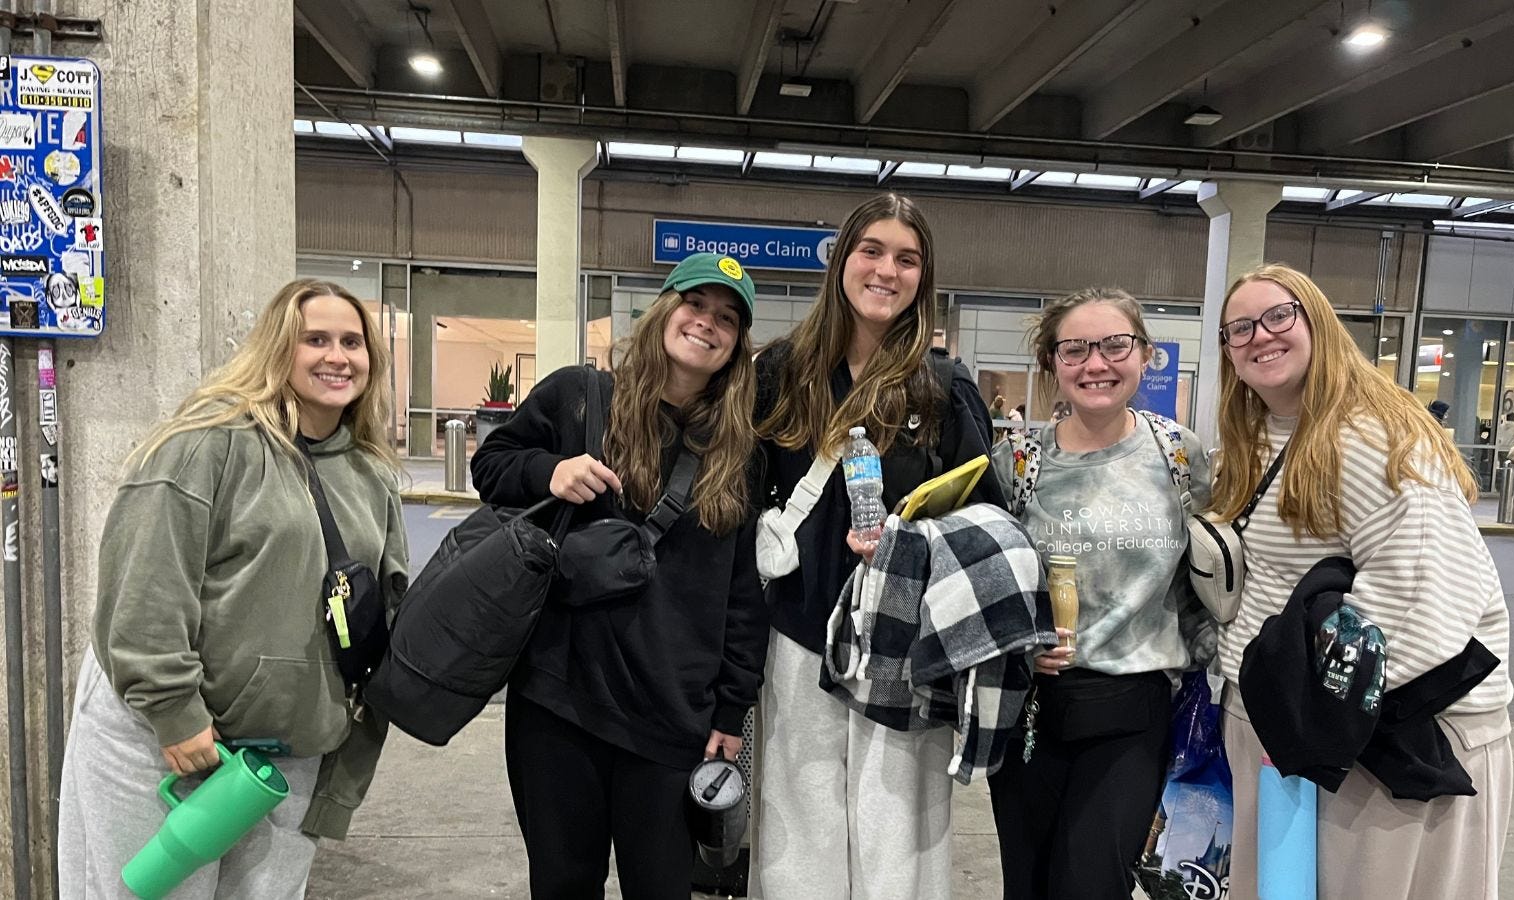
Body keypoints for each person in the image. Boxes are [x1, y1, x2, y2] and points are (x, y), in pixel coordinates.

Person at [58, 279, 409, 898]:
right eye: (316, 340)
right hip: (172, 744)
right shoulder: (207, 442)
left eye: (352, 342)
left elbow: (382, 605)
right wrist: (173, 712)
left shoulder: (369, 469)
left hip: (284, 758)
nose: (338, 356)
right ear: (278, 349)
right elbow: (144, 586)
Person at [470, 253, 769, 899]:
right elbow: (492, 464)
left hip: (671, 714)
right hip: (559, 699)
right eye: (696, 305)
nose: (706, 324)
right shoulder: (579, 397)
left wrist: (731, 707)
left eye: (726, 319)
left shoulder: (739, 453)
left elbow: (745, 595)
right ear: (664, 309)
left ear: (737, 346)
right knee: (562, 881)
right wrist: (547, 472)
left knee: (660, 887)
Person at [1211, 264, 1512, 899]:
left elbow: (1424, 604)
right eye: (1239, 328)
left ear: (1317, 322)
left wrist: (1301, 712)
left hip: (1382, 736)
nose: (1260, 335)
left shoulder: (1378, 437)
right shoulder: (1259, 438)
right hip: (1292, 729)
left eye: (1279, 316)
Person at [752, 192, 1006, 900]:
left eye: (907, 258)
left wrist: (913, 547)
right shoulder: (780, 374)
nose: (887, 270)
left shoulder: (944, 390)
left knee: (900, 833)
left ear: (924, 277)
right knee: (796, 828)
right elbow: (741, 503)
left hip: (902, 643)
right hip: (799, 635)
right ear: (840, 260)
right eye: (872, 250)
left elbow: (987, 522)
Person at [986, 287, 1212, 899]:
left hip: (1134, 708)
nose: (1096, 364)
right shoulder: (1019, 461)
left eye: (1115, 345)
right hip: (1034, 705)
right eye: (1075, 349)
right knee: (1027, 886)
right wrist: (1019, 641)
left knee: (1092, 884)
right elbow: (990, 579)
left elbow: (1212, 574)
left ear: (1144, 356)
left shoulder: (1179, 455)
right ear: (1052, 364)